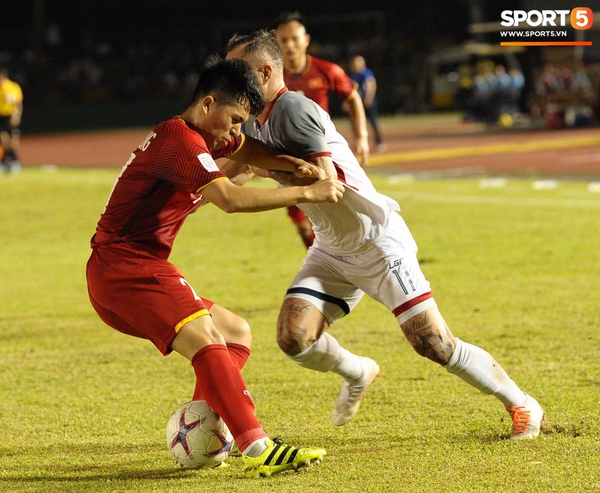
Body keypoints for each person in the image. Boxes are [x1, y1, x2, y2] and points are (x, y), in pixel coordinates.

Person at [225, 30, 544, 440]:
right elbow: (232, 170)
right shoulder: (257, 118)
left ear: (265, 72)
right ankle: (358, 371)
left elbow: (326, 182)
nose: (231, 80)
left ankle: (522, 404)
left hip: (376, 242)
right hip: (331, 248)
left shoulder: (293, 109)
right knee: (294, 337)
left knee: (434, 344)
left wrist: (262, 167)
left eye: (239, 71)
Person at [86, 59, 343, 478]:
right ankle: (256, 445)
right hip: (124, 266)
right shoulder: (180, 141)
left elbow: (248, 150)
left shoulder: (206, 135)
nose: (235, 131)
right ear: (208, 104)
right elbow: (230, 199)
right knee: (206, 336)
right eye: (234, 119)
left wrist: (287, 163)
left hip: (129, 269)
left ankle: (199, 427)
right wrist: (307, 192)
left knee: (235, 332)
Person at [275, 11, 370, 249]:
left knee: (339, 219)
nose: (290, 45)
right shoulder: (272, 77)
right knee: (304, 225)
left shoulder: (327, 70)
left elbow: (352, 97)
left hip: (322, 157)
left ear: (306, 39)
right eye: (283, 40)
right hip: (287, 162)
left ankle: (345, 266)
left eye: (294, 39)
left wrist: (362, 136)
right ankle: (326, 267)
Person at [348, 54, 385, 151]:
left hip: (367, 100)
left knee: (373, 121)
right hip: (358, 102)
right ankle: (358, 142)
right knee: (356, 122)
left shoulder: (366, 73)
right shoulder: (354, 75)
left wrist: (369, 97)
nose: (355, 65)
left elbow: (371, 84)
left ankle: (379, 142)